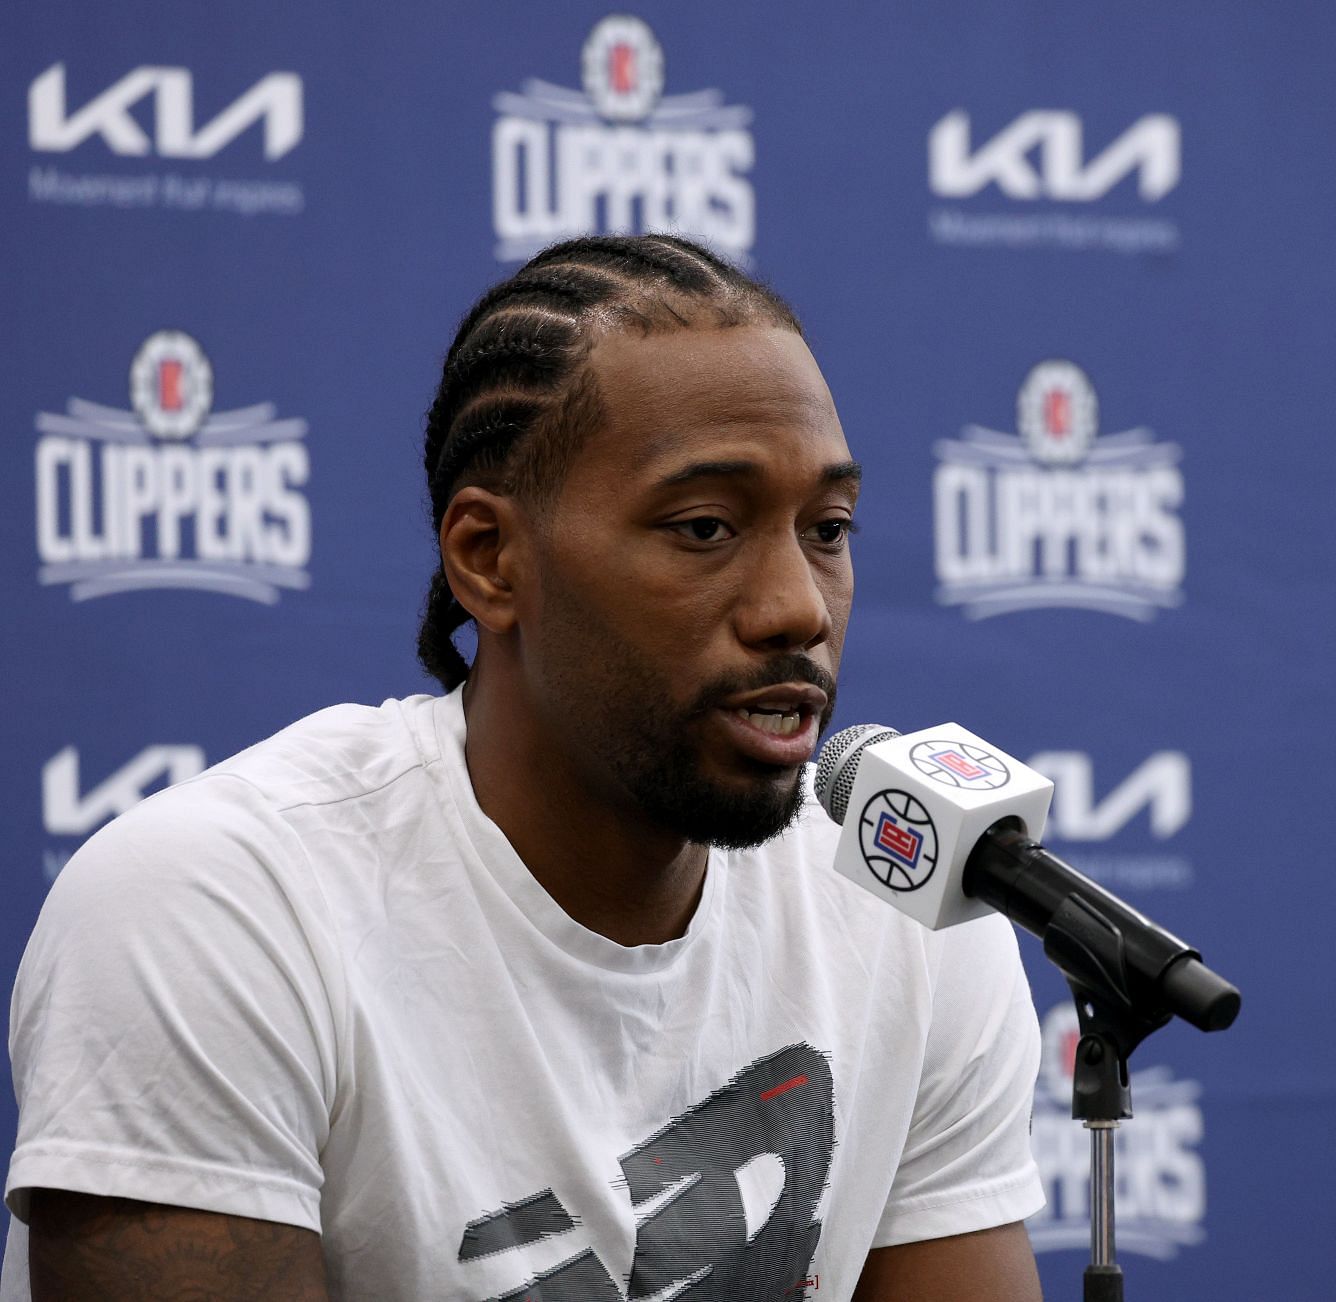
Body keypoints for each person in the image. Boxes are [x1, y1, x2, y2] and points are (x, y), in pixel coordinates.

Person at [4, 235, 1047, 1300]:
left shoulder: (901, 911)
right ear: (488, 559)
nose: (797, 607)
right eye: (704, 527)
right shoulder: (216, 909)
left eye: (827, 529)